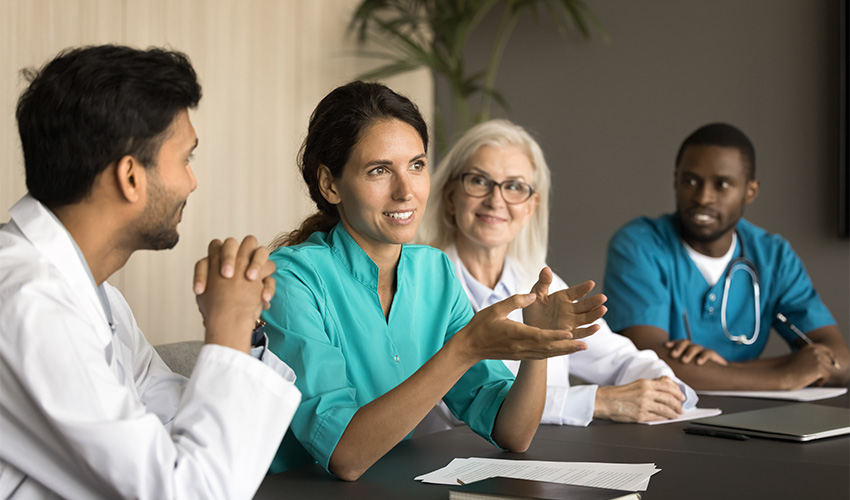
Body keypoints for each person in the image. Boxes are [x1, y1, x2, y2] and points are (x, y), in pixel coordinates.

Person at [262, 81, 607, 480]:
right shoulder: (290, 280)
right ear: (330, 184)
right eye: (379, 170)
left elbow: (512, 432)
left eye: (417, 165)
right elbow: (345, 455)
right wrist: (464, 349)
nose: (406, 191)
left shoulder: (434, 272)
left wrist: (538, 349)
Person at [0, 45, 301, 499]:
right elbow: (186, 491)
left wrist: (241, 333)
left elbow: (170, 418)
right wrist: (226, 330)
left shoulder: (97, 298)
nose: (192, 182)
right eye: (186, 158)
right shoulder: (29, 304)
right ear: (131, 177)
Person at [414, 119, 696, 431]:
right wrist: (599, 401)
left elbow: (618, 357)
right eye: (479, 181)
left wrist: (665, 387)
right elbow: (459, 405)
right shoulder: (419, 284)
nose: (496, 200)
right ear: (451, 195)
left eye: (514, 186)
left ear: (531, 206)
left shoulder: (538, 283)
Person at [603, 122, 850, 391]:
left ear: (750, 191)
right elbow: (649, 362)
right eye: (690, 181)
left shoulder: (773, 255)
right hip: (660, 418)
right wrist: (784, 376)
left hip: (750, 417)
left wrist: (728, 369)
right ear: (675, 181)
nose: (703, 197)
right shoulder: (640, 245)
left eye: (721, 184)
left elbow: (841, 361)